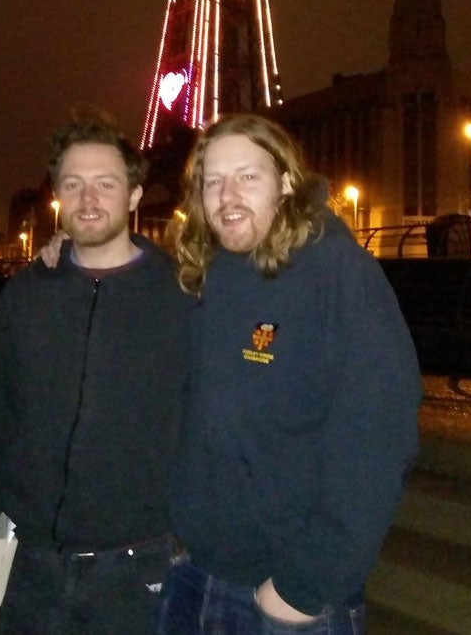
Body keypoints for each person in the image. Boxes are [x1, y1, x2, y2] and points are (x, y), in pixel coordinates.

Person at [154, 113, 422, 635]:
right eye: (213, 181)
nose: (228, 195)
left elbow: (378, 435)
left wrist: (304, 584)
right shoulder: (199, 277)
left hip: (283, 595)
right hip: (192, 573)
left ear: (286, 182)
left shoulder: (339, 272)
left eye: (248, 176)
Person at [0, 113, 188, 635]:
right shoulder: (26, 295)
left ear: (134, 196)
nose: (88, 200)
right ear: (58, 195)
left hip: (138, 566)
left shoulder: (181, 297)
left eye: (105, 185)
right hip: (33, 564)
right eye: (73, 185)